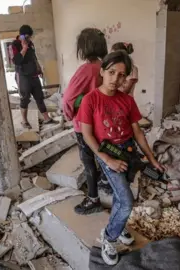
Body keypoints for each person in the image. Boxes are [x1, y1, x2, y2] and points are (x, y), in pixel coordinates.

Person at [76, 51, 164, 265]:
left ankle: (120, 225)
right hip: (109, 153)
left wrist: (151, 159)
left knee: (120, 193)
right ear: (103, 71)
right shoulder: (90, 100)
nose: (116, 79)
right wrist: (106, 159)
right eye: (112, 72)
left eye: (121, 75)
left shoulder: (127, 100)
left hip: (129, 151)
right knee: (126, 201)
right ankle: (108, 237)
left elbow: (138, 132)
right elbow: (87, 134)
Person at [62, 28, 110, 215]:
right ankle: (105, 182)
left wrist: (68, 115)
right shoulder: (105, 67)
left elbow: (67, 99)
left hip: (84, 124)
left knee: (88, 161)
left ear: (83, 47)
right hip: (102, 123)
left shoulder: (86, 70)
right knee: (101, 154)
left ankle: (93, 199)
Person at [12, 25, 56, 128]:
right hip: (23, 76)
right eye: (27, 37)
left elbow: (33, 57)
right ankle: (24, 121)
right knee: (25, 98)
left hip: (33, 74)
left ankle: (47, 118)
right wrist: (24, 48)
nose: (29, 39)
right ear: (21, 36)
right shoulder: (15, 45)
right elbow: (16, 61)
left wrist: (39, 68)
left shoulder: (31, 44)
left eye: (30, 37)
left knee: (39, 96)